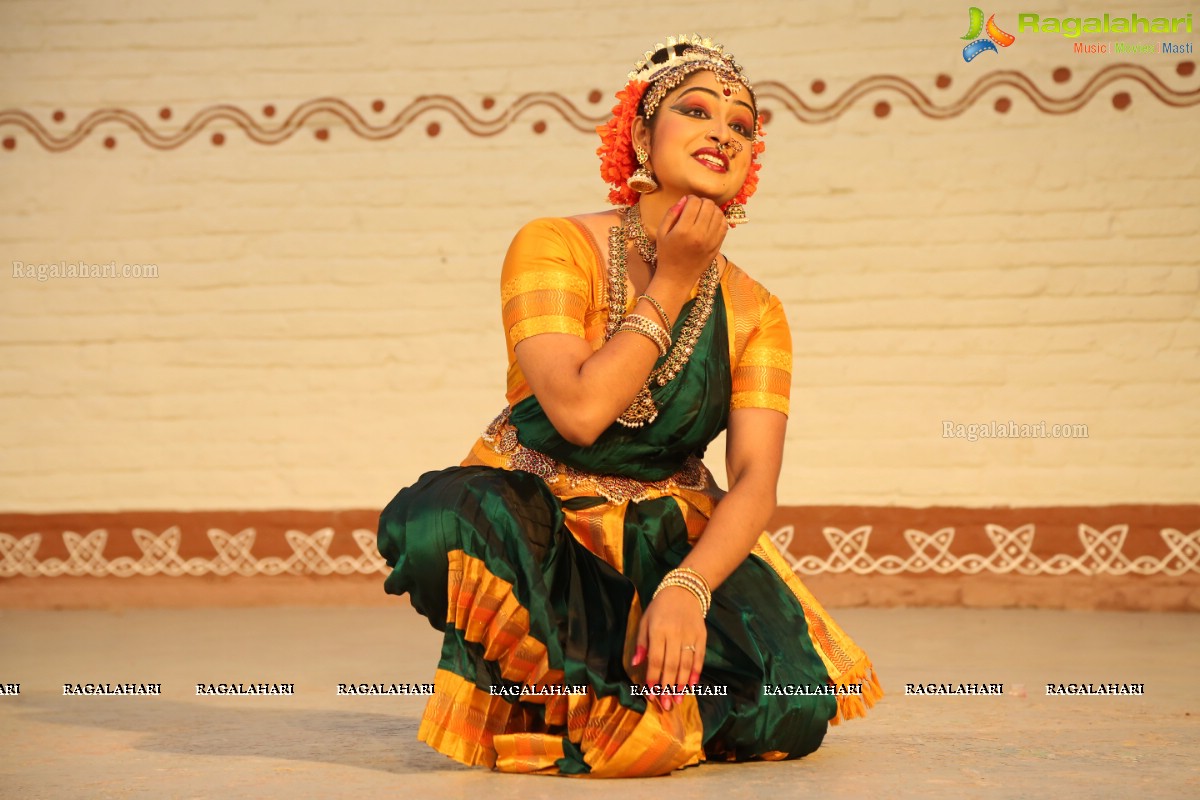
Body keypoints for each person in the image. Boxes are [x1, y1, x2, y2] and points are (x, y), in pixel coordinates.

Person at [377, 34, 881, 777]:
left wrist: (686, 587)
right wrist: (673, 280)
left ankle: (612, 695)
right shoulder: (552, 246)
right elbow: (579, 413)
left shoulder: (757, 311)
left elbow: (754, 482)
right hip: (540, 517)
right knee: (438, 520)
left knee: (793, 700)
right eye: (697, 110)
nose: (723, 131)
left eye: (742, 125)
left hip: (666, 533)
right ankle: (619, 696)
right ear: (641, 136)